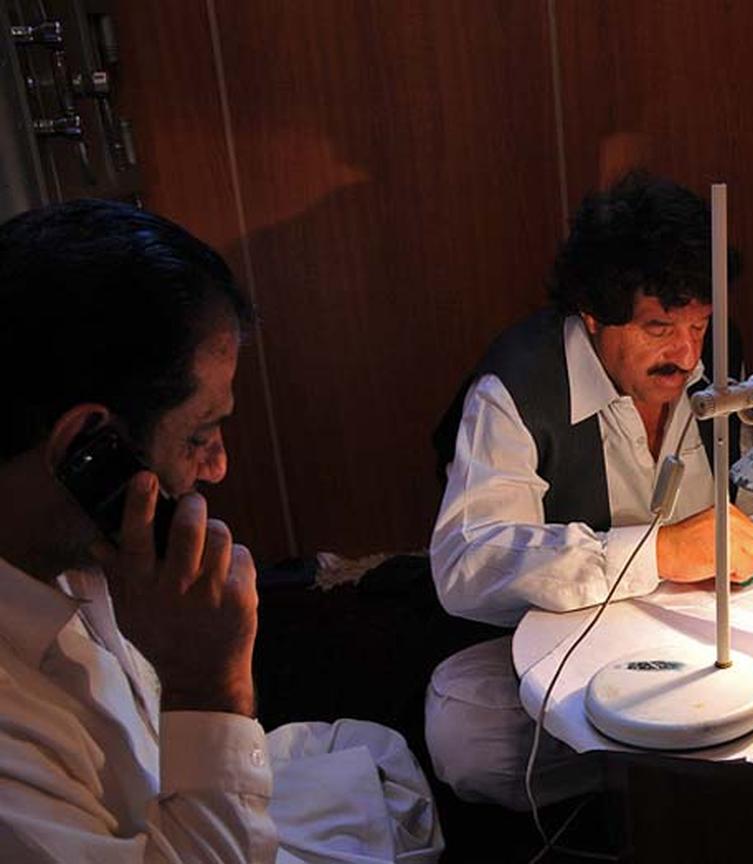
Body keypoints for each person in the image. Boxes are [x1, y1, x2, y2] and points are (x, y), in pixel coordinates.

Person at [0, 199, 442, 862]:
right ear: (87, 448)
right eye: (200, 434)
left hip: (184, 810)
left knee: (376, 768)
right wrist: (208, 686)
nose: (218, 464)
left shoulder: (80, 553)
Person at [426, 172, 753, 809]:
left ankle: (674, 773)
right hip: (569, 639)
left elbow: (751, 499)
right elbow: (466, 564)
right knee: (466, 736)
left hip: (703, 628)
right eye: (659, 327)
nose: (688, 354)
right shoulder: (517, 387)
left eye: (701, 324)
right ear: (592, 315)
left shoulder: (718, 356)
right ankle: (677, 778)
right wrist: (657, 552)